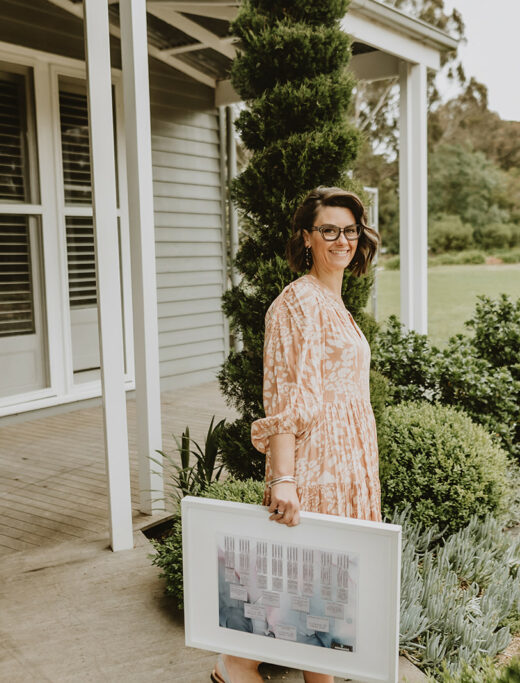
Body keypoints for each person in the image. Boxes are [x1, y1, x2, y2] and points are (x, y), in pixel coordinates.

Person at [212, 187, 381, 683]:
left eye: (349, 230)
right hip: (317, 468)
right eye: (328, 229)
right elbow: (287, 397)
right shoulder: (297, 302)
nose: (341, 239)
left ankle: (240, 665)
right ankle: (235, 665)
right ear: (307, 238)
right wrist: (284, 478)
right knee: (311, 592)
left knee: (322, 607)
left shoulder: (333, 299)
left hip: (348, 465)